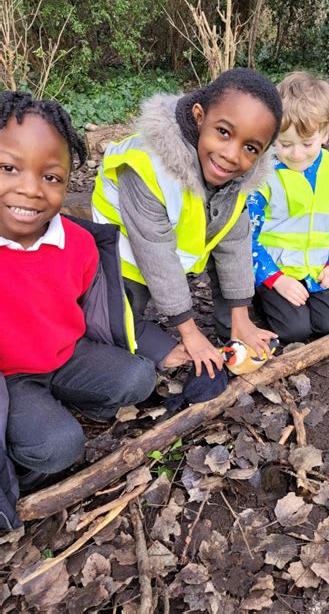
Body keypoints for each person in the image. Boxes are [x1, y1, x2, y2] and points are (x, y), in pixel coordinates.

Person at [0, 91, 158, 528]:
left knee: (139, 376)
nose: (30, 189)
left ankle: (72, 403)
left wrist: (166, 346)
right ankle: (21, 456)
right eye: (9, 168)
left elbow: (109, 314)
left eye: (51, 177)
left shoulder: (80, 242)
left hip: (68, 355)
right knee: (59, 447)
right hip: (12, 380)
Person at [92, 68, 282, 379]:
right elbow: (155, 254)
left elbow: (235, 243)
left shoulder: (239, 175)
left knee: (233, 268)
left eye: (250, 148)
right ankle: (156, 345)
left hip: (167, 252)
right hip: (121, 259)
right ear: (198, 116)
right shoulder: (146, 164)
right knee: (117, 324)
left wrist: (241, 316)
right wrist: (189, 332)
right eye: (223, 132)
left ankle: (232, 330)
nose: (231, 155)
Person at [248, 72, 329, 343]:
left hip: (317, 271)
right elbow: (246, 234)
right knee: (294, 331)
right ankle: (261, 298)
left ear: (325, 133)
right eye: (285, 144)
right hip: (275, 270)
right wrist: (274, 279)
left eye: (307, 143)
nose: (296, 154)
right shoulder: (262, 174)